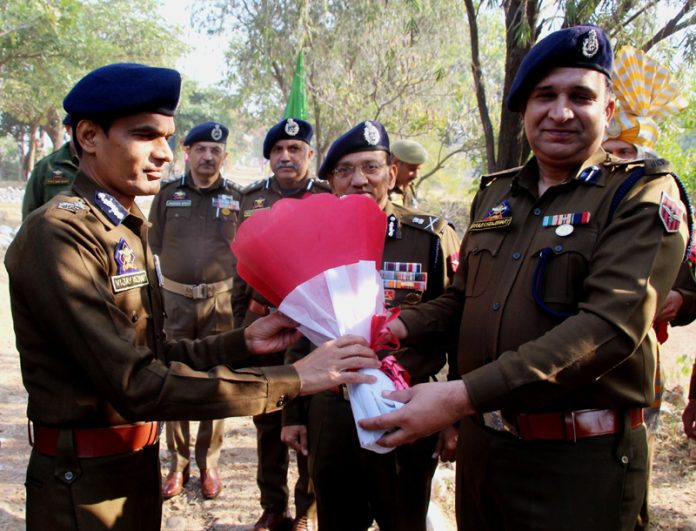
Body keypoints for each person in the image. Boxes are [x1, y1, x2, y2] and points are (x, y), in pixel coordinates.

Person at [4, 63, 380, 531]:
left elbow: (156, 355)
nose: (164, 153)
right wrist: (294, 379)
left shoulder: (122, 226)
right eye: (145, 136)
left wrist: (244, 341)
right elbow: (137, 383)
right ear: (88, 135)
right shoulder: (58, 234)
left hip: (129, 467)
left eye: (166, 138)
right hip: (83, 482)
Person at [360, 26, 692, 531]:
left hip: (578, 466)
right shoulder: (496, 195)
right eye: (545, 96)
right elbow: (461, 301)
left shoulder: (640, 194)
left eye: (580, 96)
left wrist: (458, 396)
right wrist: (393, 328)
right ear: (523, 110)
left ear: (607, 111)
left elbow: (608, 328)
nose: (560, 112)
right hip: (485, 455)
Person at [280, 120, 461, 531]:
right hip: (331, 408)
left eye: (370, 168)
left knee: (403, 519)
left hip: (407, 404)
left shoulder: (429, 237)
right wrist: (292, 412)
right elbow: (297, 327)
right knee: (338, 519)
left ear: (392, 173)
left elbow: (458, 320)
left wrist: (454, 413)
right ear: (329, 181)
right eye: (344, 171)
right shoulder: (311, 240)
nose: (358, 180)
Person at [600, 46, 696, 529]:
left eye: (627, 154)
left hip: (644, 351)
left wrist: (679, 300)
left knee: (635, 445)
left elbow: (690, 284)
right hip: (589, 346)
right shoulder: (590, 201)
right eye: (610, 152)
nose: (618, 162)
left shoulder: (668, 200)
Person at [232, 118, 329, 531]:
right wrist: (241, 327)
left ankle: (307, 509)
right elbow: (240, 268)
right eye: (278, 151)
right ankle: (273, 505)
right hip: (265, 318)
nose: (285, 157)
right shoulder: (251, 198)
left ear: (309, 155)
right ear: (269, 157)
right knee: (267, 412)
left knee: (308, 410)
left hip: (314, 322)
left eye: (294, 149)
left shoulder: (327, 196)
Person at [148, 121, 243, 500]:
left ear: (225, 156)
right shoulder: (168, 194)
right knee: (176, 378)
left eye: (215, 151)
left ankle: (210, 462)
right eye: (201, 149)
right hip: (176, 302)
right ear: (187, 152)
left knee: (216, 380)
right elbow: (153, 244)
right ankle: (178, 462)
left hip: (221, 302)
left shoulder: (238, 197)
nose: (208, 156)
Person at [22, 114, 79, 220]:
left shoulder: (107, 164)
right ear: (68, 129)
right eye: (80, 128)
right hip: (55, 235)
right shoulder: (46, 167)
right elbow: (30, 212)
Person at [388, 138, 427, 208]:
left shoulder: (408, 188)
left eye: (418, 169)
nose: (416, 175)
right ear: (395, 162)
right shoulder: (379, 188)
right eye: (412, 169)